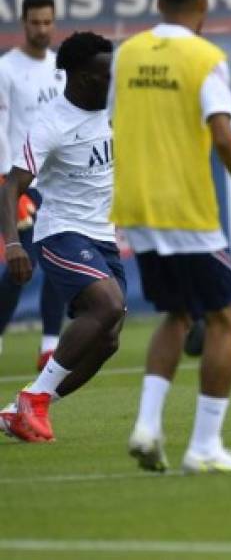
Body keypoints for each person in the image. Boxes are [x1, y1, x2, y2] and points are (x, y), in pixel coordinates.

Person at [112, 0, 231, 473]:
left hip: (135, 206)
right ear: (202, 7)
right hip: (183, 206)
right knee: (223, 318)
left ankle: (147, 424)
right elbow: (222, 133)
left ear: (159, 4)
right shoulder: (205, 58)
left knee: (177, 313)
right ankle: (204, 446)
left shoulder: (127, 54)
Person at [0, 32, 125, 442]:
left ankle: (25, 406)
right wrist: (14, 243)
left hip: (103, 236)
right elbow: (12, 185)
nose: (114, 80)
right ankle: (33, 401)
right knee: (108, 305)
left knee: (107, 339)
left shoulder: (112, 108)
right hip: (61, 233)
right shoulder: (51, 124)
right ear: (84, 77)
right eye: (107, 74)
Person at [0, 0, 67, 368]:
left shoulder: (61, 69)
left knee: (58, 260)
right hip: (18, 182)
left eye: (48, 22)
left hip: (57, 183)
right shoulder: (6, 69)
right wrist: (6, 185)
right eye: (35, 22)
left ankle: (50, 344)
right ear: (23, 23)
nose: (42, 29)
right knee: (20, 267)